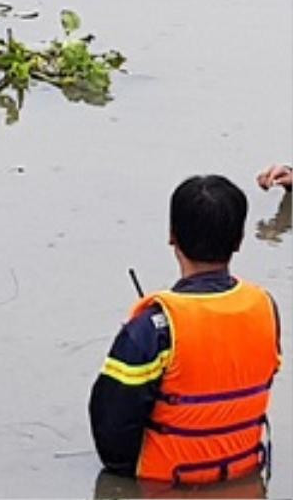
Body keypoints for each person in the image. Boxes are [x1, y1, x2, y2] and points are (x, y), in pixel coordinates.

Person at [89, 175, 282, 486]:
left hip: (163, 484)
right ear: (239, 240)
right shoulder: (265, 308)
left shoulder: (152, 330)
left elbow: (111, 429)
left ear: (172, 236)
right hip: (244, 474)